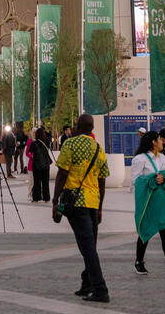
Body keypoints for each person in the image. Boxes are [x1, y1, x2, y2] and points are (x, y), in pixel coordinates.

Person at [52, 113, 113, 302]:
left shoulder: (70, 144)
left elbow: (62, 174)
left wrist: (55, 201)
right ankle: (87, 284)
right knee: (90, 246)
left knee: (87, 248)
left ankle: (100, 290)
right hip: (93, 202)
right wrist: (101, 207)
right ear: (92, 128)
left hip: (76, 203)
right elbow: (102, 181)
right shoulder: (98, 148)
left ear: (77, 126)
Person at [129, 129, 165, 280]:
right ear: (154, 142)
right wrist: (152, 180)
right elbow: (135, 181)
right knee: (145, 231)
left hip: (163, 204)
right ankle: (139, 261)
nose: (162, 142)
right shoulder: (139, 159)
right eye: (160, 140)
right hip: (149, 203)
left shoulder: (162, 158)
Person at [29, 127, 52, 202]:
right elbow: (49, 136)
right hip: (46, 164)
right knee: (45, 182)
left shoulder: (34, 143)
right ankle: (46, 197)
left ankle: (36, 197)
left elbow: (30, 152)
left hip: (36, 165)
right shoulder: (47, 141)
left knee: (37, 182)